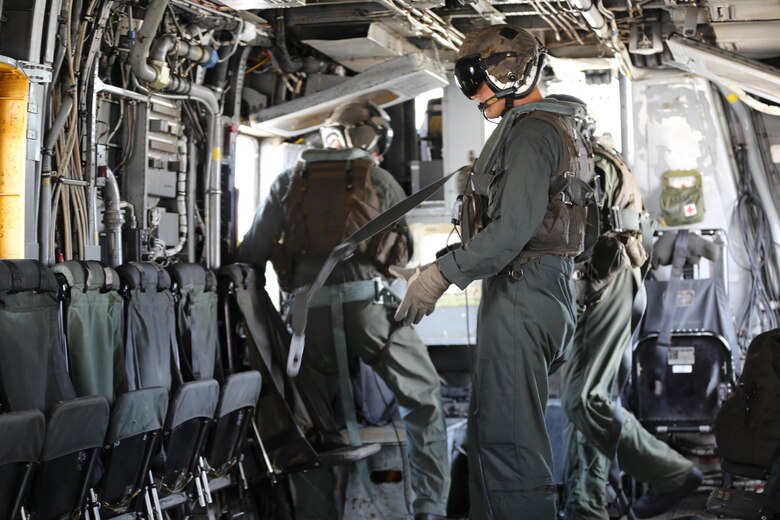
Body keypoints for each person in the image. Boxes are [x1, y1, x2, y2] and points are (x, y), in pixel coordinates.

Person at [393, 24, 593, 518]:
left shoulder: (532, 133)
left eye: (477, 81)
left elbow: (510, 235)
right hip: (525, 292)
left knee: (510, 450)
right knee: (492, 440)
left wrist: (440, 278)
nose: (474, 95)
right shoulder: (536, 129)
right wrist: (436, 266)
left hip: (525, 293)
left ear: (510, 75)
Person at [237, 100, 450, 520]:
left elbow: (250, 255)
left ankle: (317, 512)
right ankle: (430, 507)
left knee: (311, 420)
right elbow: (402, 250)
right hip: (369, 312)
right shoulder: (379, 179)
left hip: (307, 321)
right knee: (423, 399)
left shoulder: (287, 181)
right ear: (368, 140)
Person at [560, 135, 703, 519]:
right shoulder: (585, 155)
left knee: (583, 399)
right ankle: (585, 504)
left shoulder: (575, 160)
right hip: (607, 276)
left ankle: (675, 473)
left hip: (605, 278)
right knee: (587, 397)